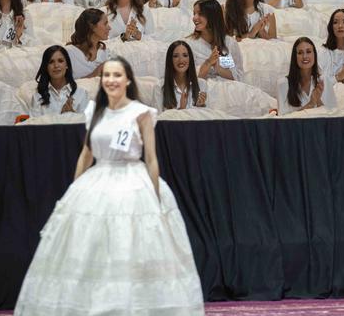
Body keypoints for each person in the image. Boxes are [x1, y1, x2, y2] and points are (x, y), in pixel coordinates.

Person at [14, 56, 205, 316]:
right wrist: (73, 193)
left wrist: (157, 197)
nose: (111, 80)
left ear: (127, 80)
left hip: (133, 181)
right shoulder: (95, 112)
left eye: (117, 75)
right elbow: (86, 154)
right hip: (98, 180)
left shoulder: (141, 113)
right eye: (107, 75)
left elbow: (151, 158)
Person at [277, 37, 337, 115]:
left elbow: (334, 116)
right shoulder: (283, 84)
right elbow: (283, 120)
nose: (305, 56)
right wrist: (311, 104)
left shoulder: (324, 80)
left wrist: (318, 101)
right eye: (300, 53)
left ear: (314, 55)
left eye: (308, 52)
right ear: (295, 57)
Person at [189, 0, 243, 80]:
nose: (194, 18)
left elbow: (238, 77)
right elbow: (188, 78)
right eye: (194, 14)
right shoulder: (189, 44)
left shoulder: (228, 43)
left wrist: (217, 67)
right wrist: (208, 63)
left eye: (200, 14)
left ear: (212, 16)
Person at [31, 45, 89, 116]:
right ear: (46, 67)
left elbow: (87, 125)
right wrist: (62, 117)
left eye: (60, 61)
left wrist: (73, 116)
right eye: (51, 62)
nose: (56, 65)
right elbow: (34, 125)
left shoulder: (81, 94)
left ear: (67, 65)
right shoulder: (37, 96)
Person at [159, 40, 207, 110]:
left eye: (185, 55)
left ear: (190, 59)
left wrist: (200, 107)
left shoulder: (202, 84)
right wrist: (181, 110)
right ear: (170, 60)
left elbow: (206, 118)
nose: (181, 60)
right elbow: (158, 119)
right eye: (176, 56)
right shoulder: (159, 87)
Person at [66, 8, 111, 78]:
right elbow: (62, 86)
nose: (109, 27)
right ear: (92, 26)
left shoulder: (105, 52)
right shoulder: (70, 53)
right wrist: (94, 74)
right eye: (105, 24)